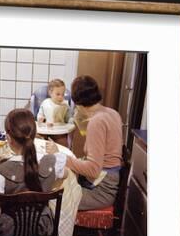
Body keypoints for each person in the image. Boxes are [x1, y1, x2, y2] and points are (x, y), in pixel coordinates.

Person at [0, 109, 67, 236]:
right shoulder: (52, 163)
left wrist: (1, 166)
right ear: (35, 134)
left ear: (8, 139)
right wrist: (54, 154)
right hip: (43, 230)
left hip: (9, 233)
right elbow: (65, 174)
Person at [46, 75, 123, 210]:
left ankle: (50, 230)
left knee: (51, 198)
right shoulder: (112, 113)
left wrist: (62, 157)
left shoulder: (97, 121)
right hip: (109, 181)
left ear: (77, 102)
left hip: (100, 190)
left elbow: (93, 170)